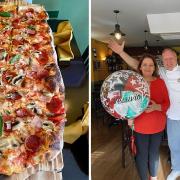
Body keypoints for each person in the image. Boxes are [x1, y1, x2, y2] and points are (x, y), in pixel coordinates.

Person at [108, 40, 180, 180]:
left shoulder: (161, 79)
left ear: (177, 58)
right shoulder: (162, 75)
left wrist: (156, 107)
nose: (169, 61)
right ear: (162, 62)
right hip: (172, 117)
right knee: (173, 147)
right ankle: (176, 169)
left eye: (171, 58)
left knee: (156, 152)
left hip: (159, 121)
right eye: (165, 59)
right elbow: (139, 65)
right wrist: (121, 52)